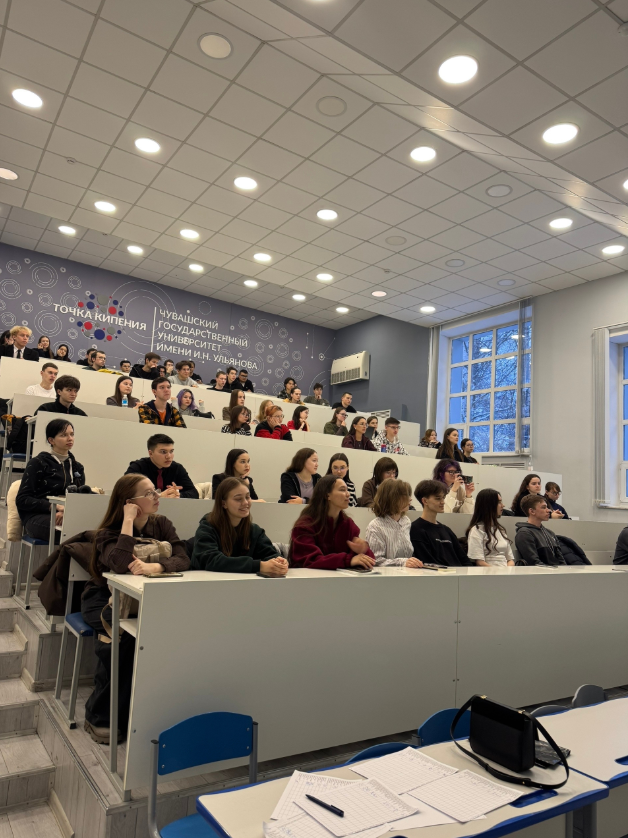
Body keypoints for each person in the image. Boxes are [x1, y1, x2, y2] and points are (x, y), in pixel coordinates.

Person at [81, 473, 189, 743]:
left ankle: (141, 714)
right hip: (104, 599)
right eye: (149, 493)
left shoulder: (161, 524)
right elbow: (119, 564)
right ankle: (99, 716)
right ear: (129, 502)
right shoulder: (107, 533)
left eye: (155, 491)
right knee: (122, 638)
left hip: (146, 599)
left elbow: (183, 557)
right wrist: (128, 521)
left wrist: (157, 566)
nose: (156, 496)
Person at [192, 478, 286, 575]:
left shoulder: (255, 530)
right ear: (223, 503)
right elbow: (211, 560)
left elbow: (270, 553)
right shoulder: (207, 528)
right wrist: (258, 566)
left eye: (248, 497)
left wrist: (279, 562)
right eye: (238, 499)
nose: (245, 502)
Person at [16, 419, 86, 540]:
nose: (70, 438)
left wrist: (65, 512)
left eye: (72, 434)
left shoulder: (77, 467)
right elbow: (22, 499)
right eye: (63, 435)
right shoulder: (38, 463)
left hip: (65, 515)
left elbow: (78, 499)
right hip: (36, 517)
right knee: (73, 531)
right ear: (51, 440)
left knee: (93, 528)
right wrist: (54, 507)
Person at [289, 475, 376, 570]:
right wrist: (348, 560)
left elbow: (370, 560)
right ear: (327, 495)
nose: (348, 494)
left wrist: (363, 551)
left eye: (347, 490)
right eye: (342, 490)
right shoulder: (305, 525)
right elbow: (310, 560)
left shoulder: (348, 524)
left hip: (338, 578)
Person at [410, 480, 472, 566]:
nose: (443, 502)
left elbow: (464, 559)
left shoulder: (446, 530)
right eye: (438, 498)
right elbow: (428, 562)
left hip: (459, 573)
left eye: (443, 498)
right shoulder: (416, 529)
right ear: (425, 501)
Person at [365, 480, 423, 568]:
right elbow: (375, 560)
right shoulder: (375, 526)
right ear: (392, 498)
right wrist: (402, 562)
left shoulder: (406, 521)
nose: (410, 499)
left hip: (407, 572)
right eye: (405, 495)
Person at [125, 433, 198, 498]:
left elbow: (194, 493)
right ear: (151, 453)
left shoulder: (177, 468)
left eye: (171, 451)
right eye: (163, 452)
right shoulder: (138, 467)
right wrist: (159, 496)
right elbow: (125, 493)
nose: (168, 456)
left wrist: (178, 495)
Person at [466, 489, 514, 567]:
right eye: (498, 502)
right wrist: (500, 572)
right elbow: (480, 562)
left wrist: (507, 571)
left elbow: (510, 559)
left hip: (506, 571)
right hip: (488, 572)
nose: (503, 505)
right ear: (488, 505)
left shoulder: (501, 529)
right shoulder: (476, 530)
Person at [514, 495, 566, 566]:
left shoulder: (550, 533)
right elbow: (534, 563)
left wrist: (563, 570)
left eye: (547, 507)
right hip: (541, 572)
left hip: (557, 572)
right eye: (543, 507)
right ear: (532, 511)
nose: (548, 510)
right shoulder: (524, 534)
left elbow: (561, 560)